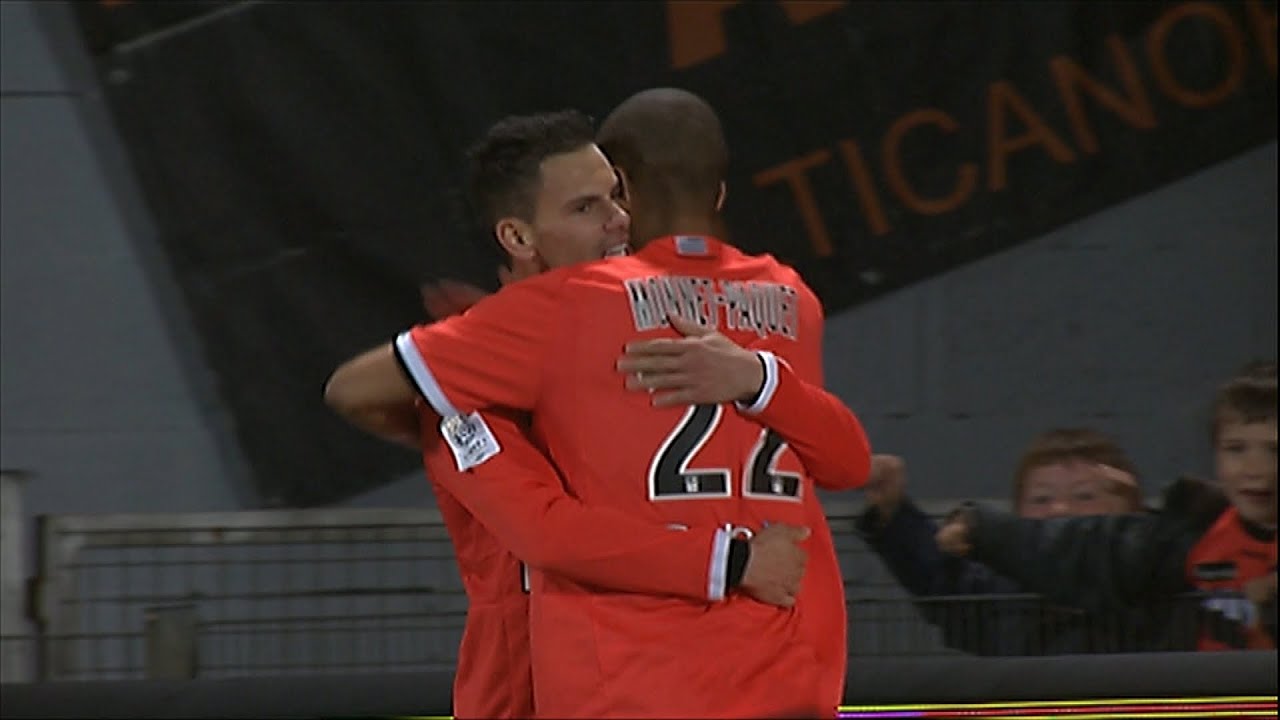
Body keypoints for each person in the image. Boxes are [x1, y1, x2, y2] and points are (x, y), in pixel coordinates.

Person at [327, 88, 872, 717]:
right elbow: (549, 533)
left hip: (665, 678)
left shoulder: (626, 325)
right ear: (519, 235)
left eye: (617, 195)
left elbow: (843, 461)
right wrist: (735, 558)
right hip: (527, 693)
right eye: (588, 206)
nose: (618, 219)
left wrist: (757, 378)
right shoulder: (471, 387)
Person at [936, 361, 1278, 651]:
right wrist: (981, 528)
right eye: (1236, 449)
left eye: (1275, 450)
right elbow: (1079, 549)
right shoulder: (1188, 532)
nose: (1255, 469)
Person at [858, 429, 1159, 654]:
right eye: (1041, 499)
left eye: (1084, 496)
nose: (1060, 509)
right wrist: (892, 510)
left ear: (1128, 507)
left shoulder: (1150, 575)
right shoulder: (1002, 589)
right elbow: (942, 579)